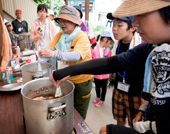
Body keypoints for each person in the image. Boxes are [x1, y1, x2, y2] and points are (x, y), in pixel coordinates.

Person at [50, 0, 170, 133]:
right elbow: (110, 63)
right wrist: (62, 73)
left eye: (141, 14)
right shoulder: (153, 48)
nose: (135, 22)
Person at [39, 5, 93, 119]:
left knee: (79, 111)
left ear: (74, 21)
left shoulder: (82, 36)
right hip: (66, 78)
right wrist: (42, 54)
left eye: (66, 20)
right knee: (67, 108)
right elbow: (50, 47)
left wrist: (54, 54)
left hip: (82, 81)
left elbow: (75, 56)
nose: (62, 23)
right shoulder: (60, 35)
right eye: (60, 20)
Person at [106, 13, 143, 128]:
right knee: (119, 121)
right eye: (113, 25)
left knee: (135, 125)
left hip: (135, 93)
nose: (114, 29)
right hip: (118, 89)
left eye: (119, 25)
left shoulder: (141, 46)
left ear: (132, 28)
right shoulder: (117, 44)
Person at [30, 4, 58, 70]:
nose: (42, 13)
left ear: (47, 13)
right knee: (43, 70)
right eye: (40, 11)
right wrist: (37, 36)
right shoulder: (35, 24)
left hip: (50, 49)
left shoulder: (51, 23)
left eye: (44, 12)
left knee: (52, 68)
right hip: (40, 50)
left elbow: (56, 37)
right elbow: (31, 38)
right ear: (37, 13)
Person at [91, 31, 113, 107]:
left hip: (105, 74)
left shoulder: (108, 50)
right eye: (109, 42)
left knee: (104, 87)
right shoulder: (94, 48)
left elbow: (110, 61)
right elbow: (91, 60)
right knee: (97, 85)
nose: (109, 45)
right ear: (105, 39)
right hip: (96, 73)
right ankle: (98, 97)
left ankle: (102, 100)